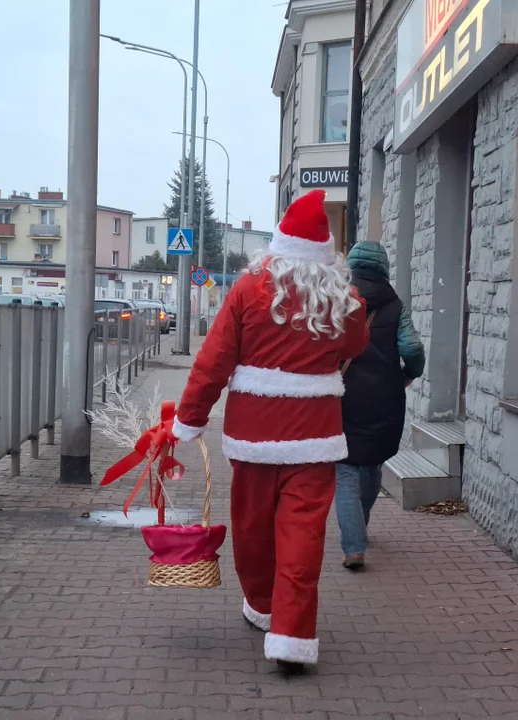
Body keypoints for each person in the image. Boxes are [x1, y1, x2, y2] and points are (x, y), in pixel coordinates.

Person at [171, 189, 369, 674]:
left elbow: (214, 360)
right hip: (316, 437)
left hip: (254, 438)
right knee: (303, 533)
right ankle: (292, 634)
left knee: (253, 529)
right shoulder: (342, 297)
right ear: (325, 254)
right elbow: (358, 343)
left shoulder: (247, 289)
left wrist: (190, 419)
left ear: (277, 243)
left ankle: (262, 606)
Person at [336, 241, 425, 571]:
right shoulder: (395, 304)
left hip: (340, 393)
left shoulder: (337, 297)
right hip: (384, 394)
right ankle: (361, 526)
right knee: (371, 463)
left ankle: (353, 545)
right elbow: (412, 347)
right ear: (384, 268)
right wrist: (409, 374)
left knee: (344, 469)